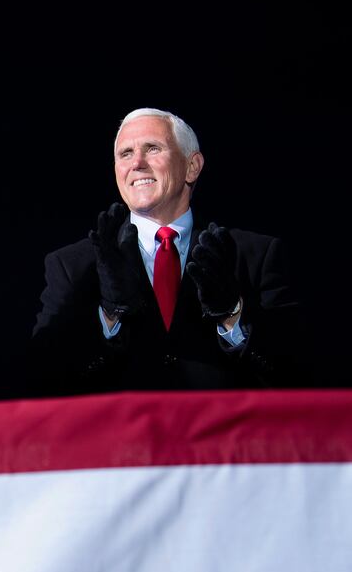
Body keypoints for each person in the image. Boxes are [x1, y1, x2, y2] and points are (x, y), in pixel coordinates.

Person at [30, 108, 302, 393]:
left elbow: (295, 374)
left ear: (192, 166)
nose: (136, 163)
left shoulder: (253, 255)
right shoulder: (74, 265)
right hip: (118, 435)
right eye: (125, 154)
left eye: (153, 148)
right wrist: (110, 316)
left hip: (220, 435)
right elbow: (42, 380)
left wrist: (232, 315)